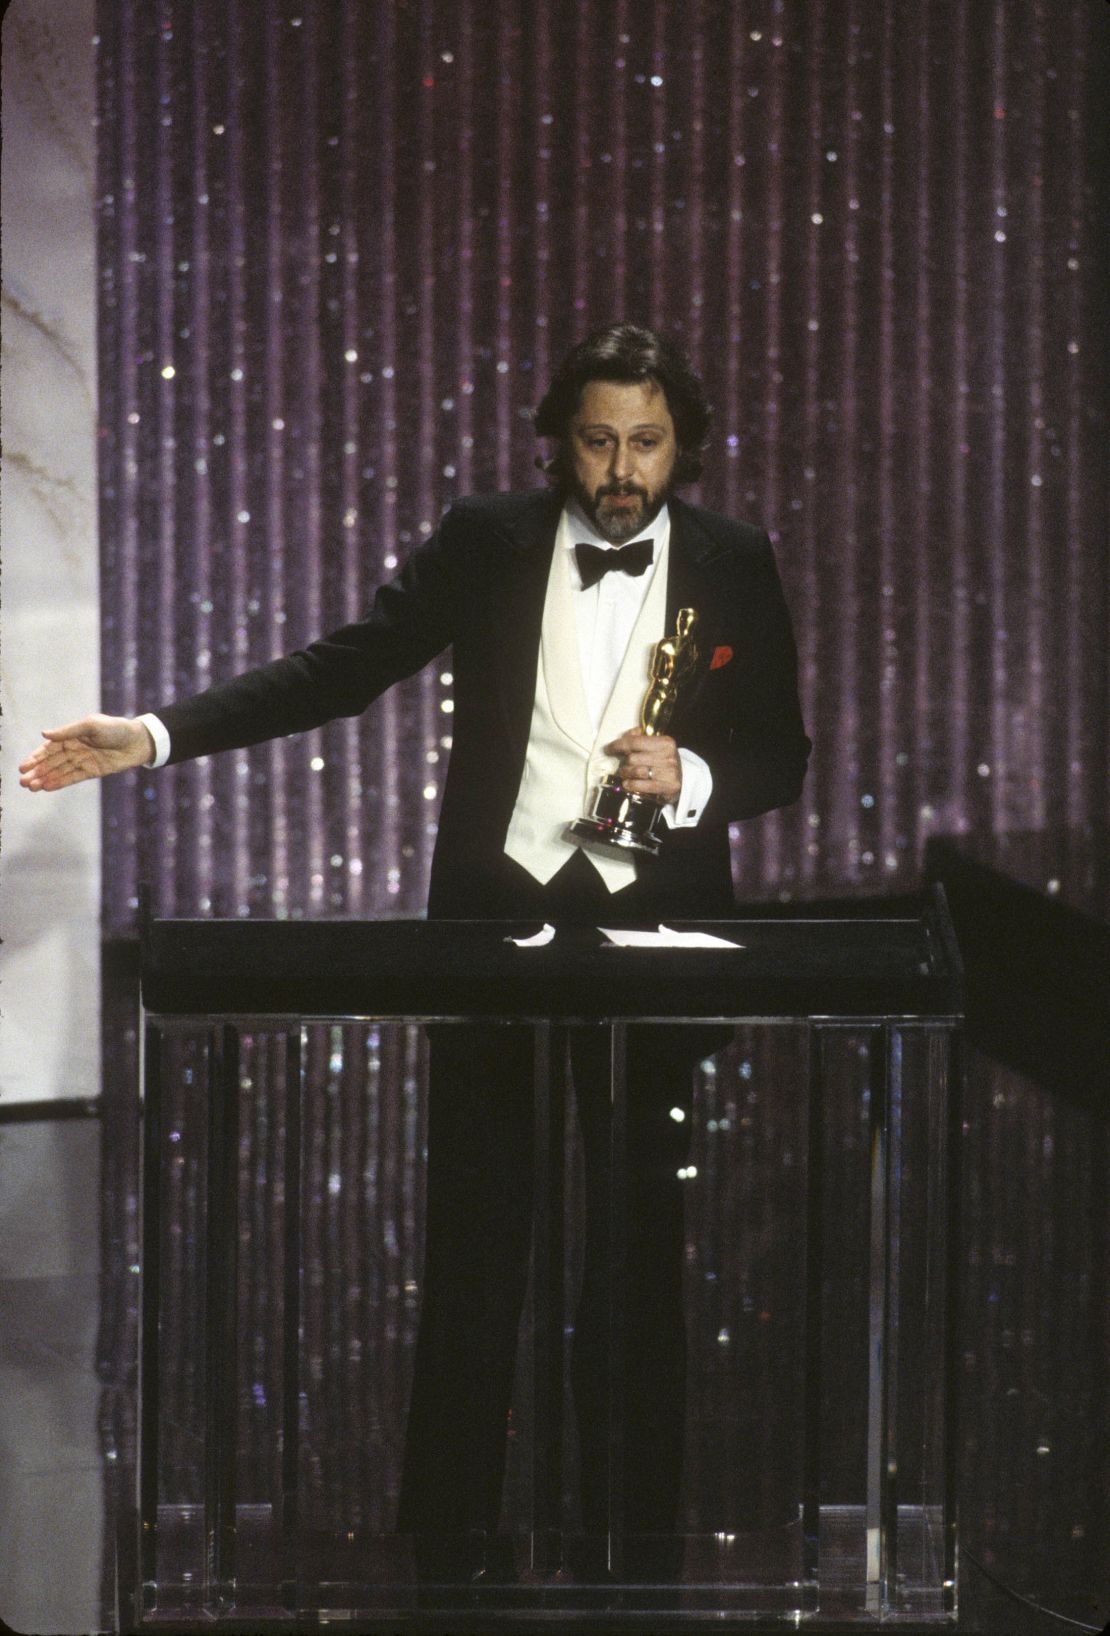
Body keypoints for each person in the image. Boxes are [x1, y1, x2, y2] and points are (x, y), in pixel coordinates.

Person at [21, 323, 811, 1577]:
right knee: (476, 1246)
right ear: (559, 441)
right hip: (492, 927)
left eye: (645, 444)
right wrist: (157, 735)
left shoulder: (736, 561)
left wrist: (698, 770)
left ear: (685, 450)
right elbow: (349, 668)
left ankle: (644, 1552)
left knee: (640, 1259)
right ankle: (442, 1558)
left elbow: (784, 754)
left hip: (658, 928)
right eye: (598, 440)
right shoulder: (489, 540)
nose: (620, 469)